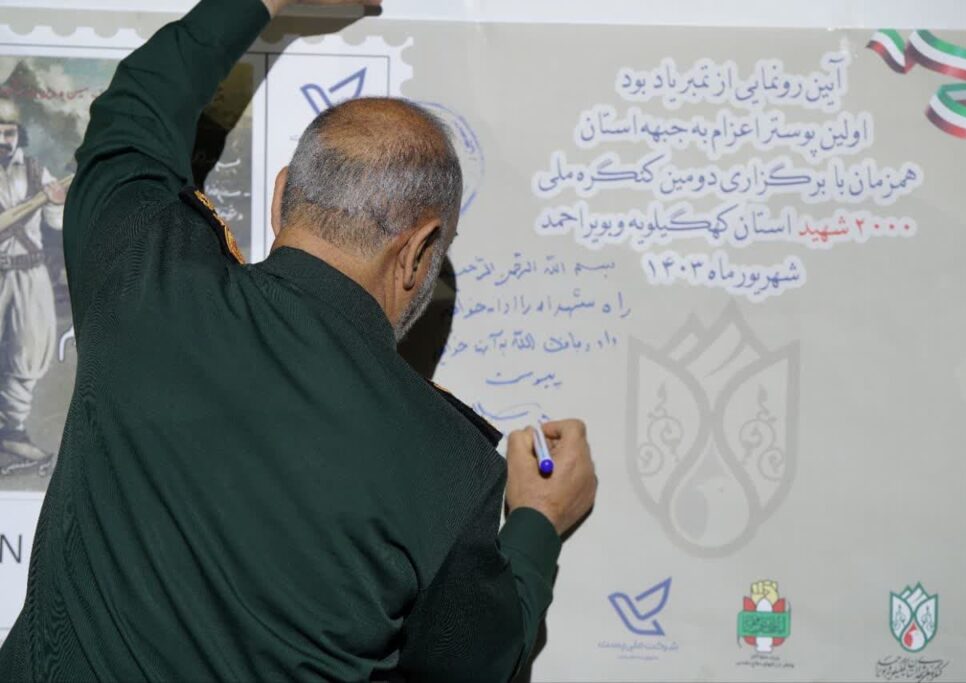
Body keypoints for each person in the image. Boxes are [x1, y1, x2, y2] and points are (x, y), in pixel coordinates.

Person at [0, 0, 597, 681]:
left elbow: (133, 113)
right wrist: (537, 521)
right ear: (418, 249)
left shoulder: (145, 280)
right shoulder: (450, 473)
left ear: (282, 192)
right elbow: (478, 663)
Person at [0, 97, 67, 468]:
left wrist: (55, 203)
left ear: (18, 135)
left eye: (9, 133)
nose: (3, 140)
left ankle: (12, 435)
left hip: (30, 276)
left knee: (29, 351)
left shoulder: (36, 170)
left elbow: (57, 225)